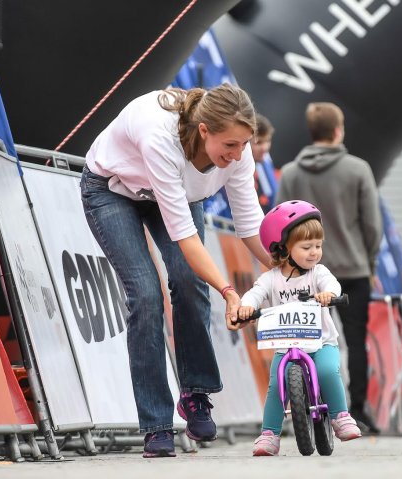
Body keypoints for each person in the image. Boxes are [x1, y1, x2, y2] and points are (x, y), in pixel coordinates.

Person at [81, 83, 272, 458]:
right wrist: (229, 292)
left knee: (188, 282)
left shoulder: (239, 152)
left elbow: (250, 224)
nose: (236, 155)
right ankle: (156, 425)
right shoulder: (160, 136)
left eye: (243, 145)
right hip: (112, 190)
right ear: (204, 131)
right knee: (146, 294)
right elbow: (185, 238)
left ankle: (195, 393)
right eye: (229, 146)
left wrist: (287, 267)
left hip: (176, 195)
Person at [275, 102, 383, 434]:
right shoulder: (358, 169)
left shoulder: (291, 173)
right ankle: (357, 411)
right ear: (338, 131)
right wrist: (369, 261)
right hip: (351, 271)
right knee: (353, 342)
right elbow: (372, 225)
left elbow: (279, 221)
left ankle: (306, 405)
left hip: (303, 275)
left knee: (305, 341)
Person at [233, 200, 362, 455]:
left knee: (327, 370)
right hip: (286, 345)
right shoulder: (271, 279)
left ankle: (340, 416)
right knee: (275, 385)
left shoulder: (317, 273)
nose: (314, 252)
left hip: (321, 342)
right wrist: (246, 307)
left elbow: (332, 285)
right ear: (283, 248)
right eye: (306, 247)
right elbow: (254, 294)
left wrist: (328, 294)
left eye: (318, 245)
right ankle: (270, 433)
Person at [203, 113, 278, 219]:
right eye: (259, 143)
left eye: (268, 141)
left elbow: (273, 197)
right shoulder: (227, 162)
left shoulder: (265, 161)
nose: (265, 148)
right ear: (245, 143)